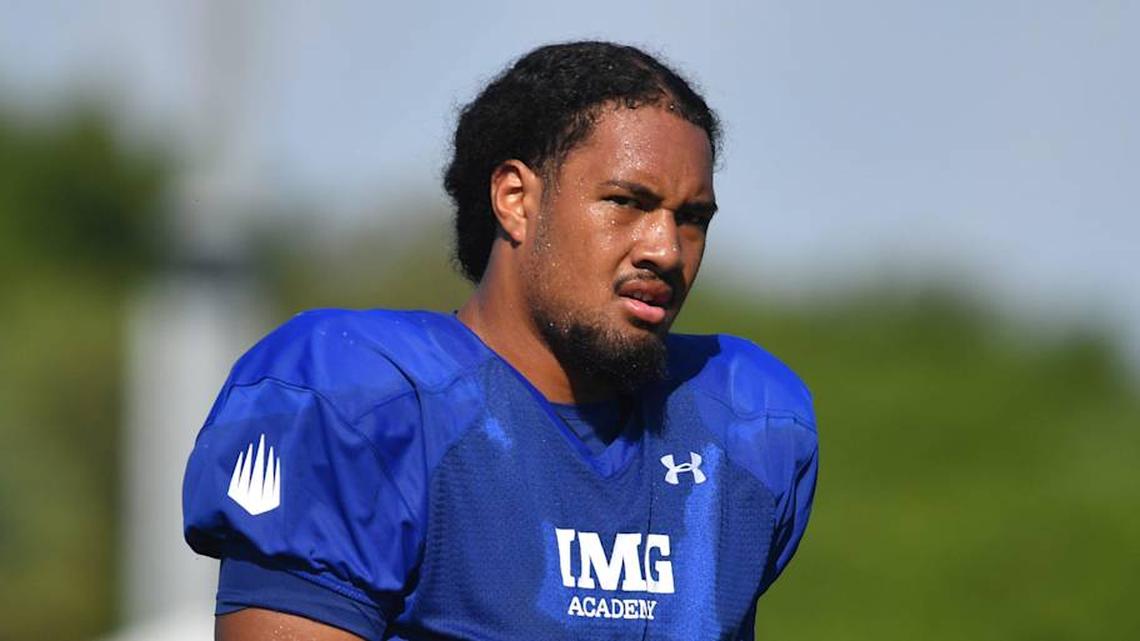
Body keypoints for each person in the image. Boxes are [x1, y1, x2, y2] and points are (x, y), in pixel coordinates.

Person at [183, 41, 818, 640]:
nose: (664, 249)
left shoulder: (744, 422)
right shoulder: (360, 397)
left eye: (691, 218)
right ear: (515, 199)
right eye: (627, 201)